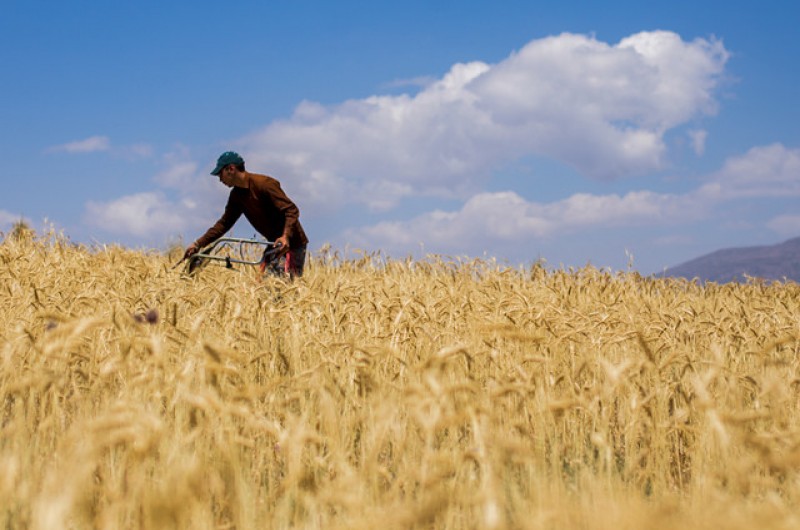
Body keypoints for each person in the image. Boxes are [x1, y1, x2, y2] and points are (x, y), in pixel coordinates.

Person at [184, 151, 308, 277]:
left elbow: (291, 210)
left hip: (292, 243)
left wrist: (285, 236)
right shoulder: (237, 196)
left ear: (231, 169)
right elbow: (224, 224)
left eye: (220, 174)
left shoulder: (264, 184)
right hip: (273, 244)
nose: (220, 179)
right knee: (264, 287)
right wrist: (198, 244)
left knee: (279, 286)